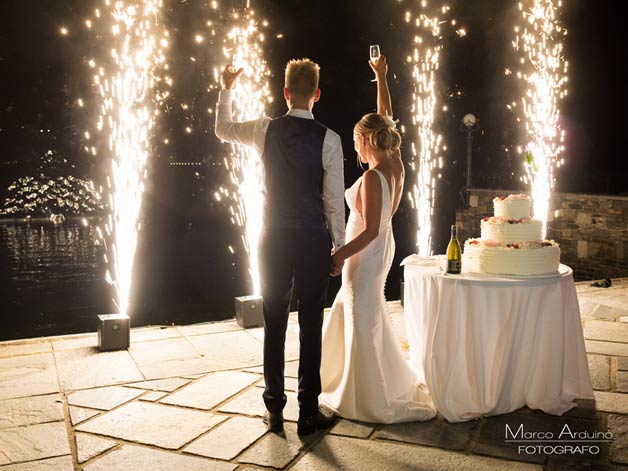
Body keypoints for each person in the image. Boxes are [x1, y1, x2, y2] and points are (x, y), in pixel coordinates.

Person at [215, 58, 345, 435]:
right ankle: (308, 412)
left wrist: (226, 88)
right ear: (316, 94)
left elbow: (222, 129)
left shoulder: (263, 129)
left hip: (273, 237)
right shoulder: (330, 140)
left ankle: (274, 409)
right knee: (310, 324)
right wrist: (337, 247)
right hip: (310, 239)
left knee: (274, 321)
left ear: (285, 92)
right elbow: (333, 201)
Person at [319, 55, 436, 423]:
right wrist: (382, 77)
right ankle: (352, 379)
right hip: (381, 248)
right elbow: (385, 115)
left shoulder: (372, 177)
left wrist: (339, 255)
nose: (354, 147)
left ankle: (368, 395)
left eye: (356, 140)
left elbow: (367, 229)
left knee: (361, 313)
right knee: (365, 312)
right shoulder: (395, 162)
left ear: (365, 139)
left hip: (365, 251)